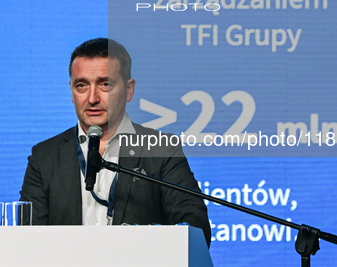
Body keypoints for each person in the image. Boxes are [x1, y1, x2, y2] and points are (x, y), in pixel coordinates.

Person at [20, 38, 211, 246]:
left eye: (105, 84)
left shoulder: (161, 149)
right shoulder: (45, 156)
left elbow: (197, 226)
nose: (92, 98)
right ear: (71, 91)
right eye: (81, 85)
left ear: (129, 90)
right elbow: (25, 239)